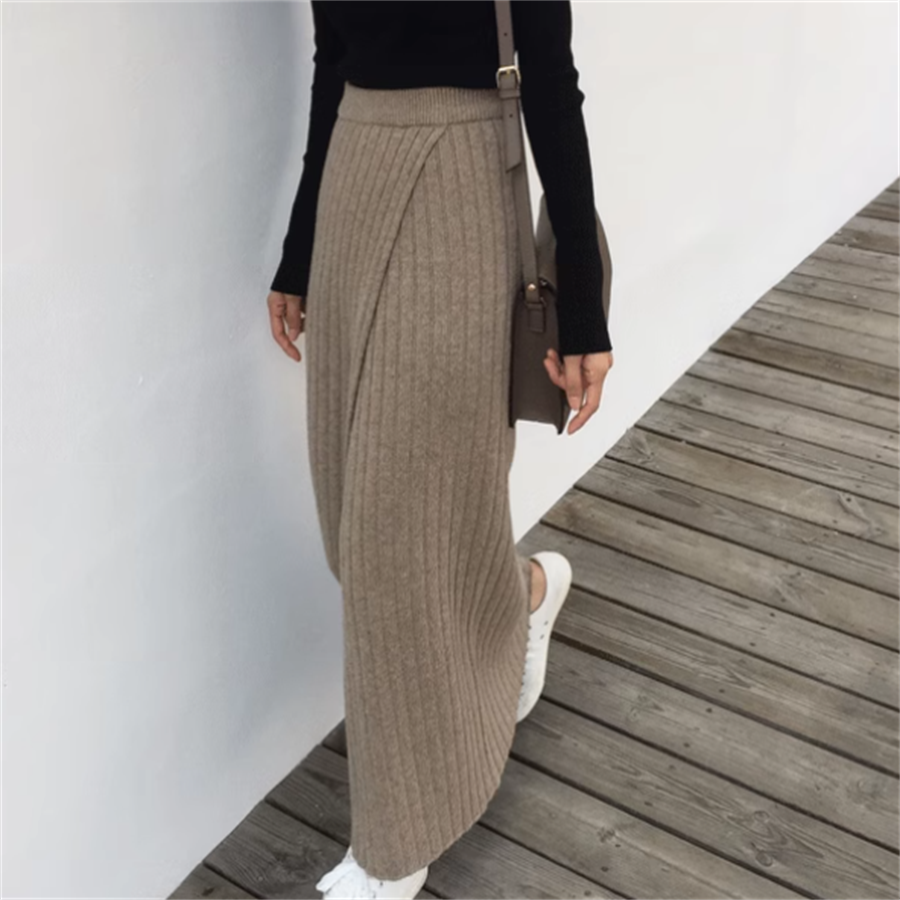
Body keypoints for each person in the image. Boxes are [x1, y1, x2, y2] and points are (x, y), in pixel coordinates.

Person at [266, 1, 614, 897]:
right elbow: (332, 61)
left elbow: (552, 81)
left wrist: (583, 305)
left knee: (396, 528)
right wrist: (301, 251)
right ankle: (522, 593)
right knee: (349, 521)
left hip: (462, 184)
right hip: (354, 180)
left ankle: (395, 841)